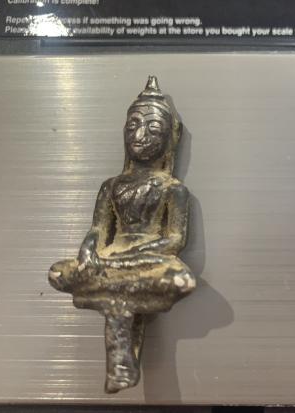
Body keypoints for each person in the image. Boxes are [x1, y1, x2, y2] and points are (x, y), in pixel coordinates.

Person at [48, 76, 195, 393]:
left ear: (169, 138)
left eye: (153, 129)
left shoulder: (173, 189)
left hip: (145, 260)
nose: (140, 136)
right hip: (109, 261)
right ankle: (121, 360)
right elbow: (98, 229)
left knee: (179, 279)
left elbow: (174, 240)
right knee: (58, 272)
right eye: (133, 126)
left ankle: (121, 361)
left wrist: (129, 256)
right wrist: (88, 249)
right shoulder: (111, 186)